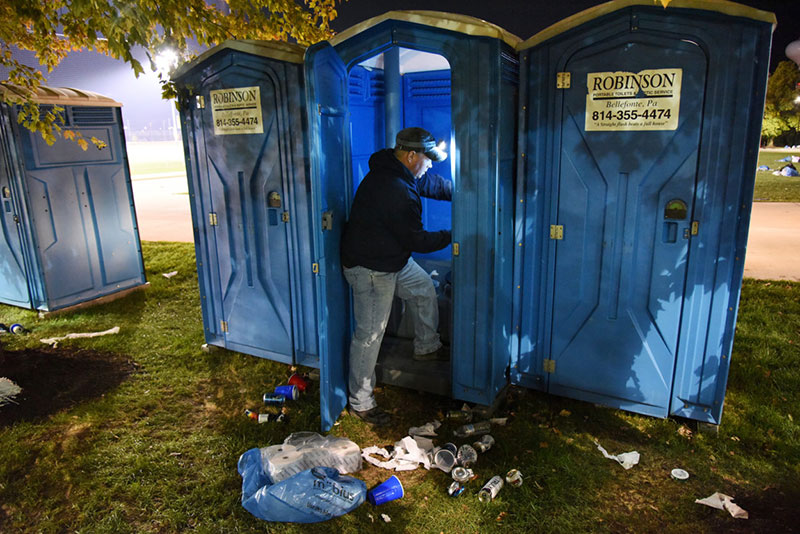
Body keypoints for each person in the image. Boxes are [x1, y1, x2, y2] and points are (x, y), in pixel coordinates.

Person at [341, 127, 452, 426]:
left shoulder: (398, 170)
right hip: (371, 269)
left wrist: (462, 194)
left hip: (390, 257)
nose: (430, 165)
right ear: (411, 155)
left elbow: (429, 182)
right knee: (369, 336)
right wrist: (453, 236)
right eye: (427, 159)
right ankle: (361, 402)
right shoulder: (395, 189)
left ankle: (427, 347)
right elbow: (417, 240)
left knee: (423, 290)